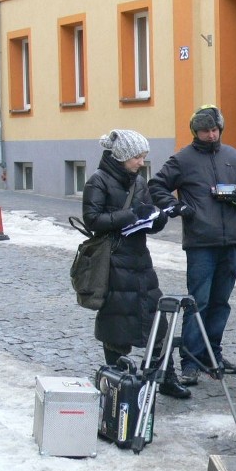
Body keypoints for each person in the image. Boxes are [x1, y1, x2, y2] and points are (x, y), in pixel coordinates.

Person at [149, 105, 236, 386]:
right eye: (206, 130)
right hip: (200, 243)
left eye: (215, 129)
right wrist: (177, 207)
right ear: (195, 131)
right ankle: (191, 359)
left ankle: (213, 355)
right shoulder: (183, 159)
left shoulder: (232, 156)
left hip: (230, 240)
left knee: (221, 303)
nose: (212, 134)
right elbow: (156, 185)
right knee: (199, 303)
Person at [82, 129, 190, 399]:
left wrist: (158, 218)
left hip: (140, 261)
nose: (142, 162)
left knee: (158, 321)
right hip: (113, 262)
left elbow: (149, 215)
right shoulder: (98, 181)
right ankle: (115, 380)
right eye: (138, 157)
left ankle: (164, 375)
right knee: (116, 323)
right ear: (122, 157)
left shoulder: (138, 182)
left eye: (144, 157)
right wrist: (130, 215)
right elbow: (92, 220)